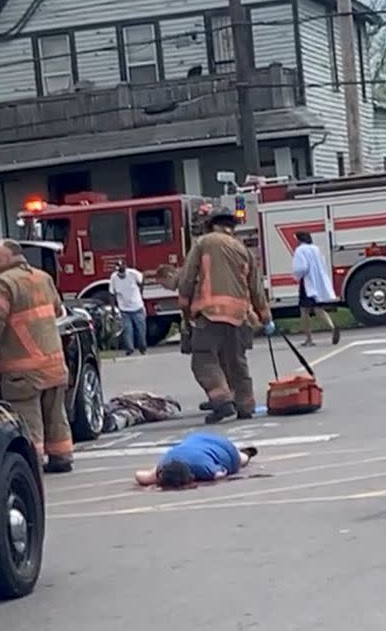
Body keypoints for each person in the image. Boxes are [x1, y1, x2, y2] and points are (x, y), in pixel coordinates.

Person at [0, 239, 74, 473]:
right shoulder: (42, 278)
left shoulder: (2, 284)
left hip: (23, 369)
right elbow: (57, 310)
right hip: (54, 363)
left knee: (28, 419)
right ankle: (62, 457)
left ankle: (33, 463)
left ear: (7, 258)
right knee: (55, 416)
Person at [178, 207, 275, 423]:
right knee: (236, 362)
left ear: (211, 225)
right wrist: (266, 317)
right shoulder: (243, 250)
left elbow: (187, 277)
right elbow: (256, 288)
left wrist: (184, 306)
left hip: (209, 313)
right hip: (239, 316)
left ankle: (222, 402)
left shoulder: (204, 243)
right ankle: (245, 406)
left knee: (204, 359)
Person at [134, 432, 257, 488]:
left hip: (225, 449)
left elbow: (221, 473)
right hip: (197, 438)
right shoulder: (164, 463)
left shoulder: (206, 469)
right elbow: (140, 476)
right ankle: (243, 454)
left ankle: (245, 455)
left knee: (240, 461)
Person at [292, 231, 340, 347]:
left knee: (304, 311)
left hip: (306, 282)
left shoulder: (300, 250)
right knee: (318, 308)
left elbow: (301, 267)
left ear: (299, 239)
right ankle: (332, 327)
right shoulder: (316, 249)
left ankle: (308, 338)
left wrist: (296, 276)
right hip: (316, 282)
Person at [109, 260, 146, 356]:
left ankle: (142, 347)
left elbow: (142, 279)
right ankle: (130, 349)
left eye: (122, 271)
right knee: (127, 330)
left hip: (137, 307)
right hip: (124, 309)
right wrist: (113, 308)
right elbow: (112, 293)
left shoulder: (133, 274)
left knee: (140, 329)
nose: (121, 274)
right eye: (119, 272)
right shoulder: (114, 278)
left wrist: (140, 292)